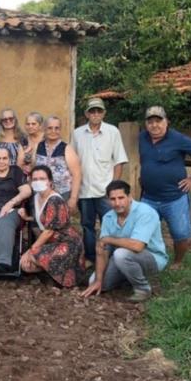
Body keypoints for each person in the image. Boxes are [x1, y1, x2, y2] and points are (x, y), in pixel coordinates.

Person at [139, 105, 191, 269]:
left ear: (167, 122)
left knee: (180, 233)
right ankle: (150, 260)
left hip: (174, 198)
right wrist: (143, 175)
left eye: (159, 121)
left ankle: (178, 262)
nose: (154, 125)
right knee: (144, 231)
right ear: (146, 124)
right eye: (150, 122)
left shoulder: (177, 138)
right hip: (148, 197)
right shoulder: (143, 138)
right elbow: (146, 159)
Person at [81, 180, 168, 302]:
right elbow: (103, 250)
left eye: (121, 198)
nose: (117, 203)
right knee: (96, 283)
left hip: (152, 258)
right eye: (113, 199)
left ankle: (143, 289)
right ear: (108, 200)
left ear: (130, 197)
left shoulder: (145, 212)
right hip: (123, 258)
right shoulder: (108, 217)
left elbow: (137, 246)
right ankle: (127, 276)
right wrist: (98, 280)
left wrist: (109, 239)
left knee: (121, 254)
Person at [72, 97, 128, 264]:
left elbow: (119, 161)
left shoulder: (113, 132)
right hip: (84, 190)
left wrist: (113, 189)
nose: (95, 114)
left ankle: (112, 258)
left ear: (104, 113)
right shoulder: (77, 134)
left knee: (110, 224)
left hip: (105, 191)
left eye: (98, 111)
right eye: (92, 111)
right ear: (86, 114)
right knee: (88, 226)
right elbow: (73, 161)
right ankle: (91, 258)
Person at [20, 165, 85, 287]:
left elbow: (49, 231)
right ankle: (51, 274)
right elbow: (44, 219)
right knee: (25, 265)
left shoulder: (54, 200)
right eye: (35, 179)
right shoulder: (36, 197)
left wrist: (30, 250)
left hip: (67, 243)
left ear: (50, 182)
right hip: (51, 244)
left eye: (42, 178)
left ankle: (57, 276)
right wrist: (27, 218)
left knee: (32, 256)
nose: (38, 182)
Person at [35, 116, 81, 212]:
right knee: (39, 223)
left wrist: (73, 198)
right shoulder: (39, 146)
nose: (53, 131)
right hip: (40, 194)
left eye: (57, 128)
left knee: (58, 224)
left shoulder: (66, 148)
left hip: (61, 194)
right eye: (50, 128)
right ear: (45, 129)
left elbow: (77, 175)